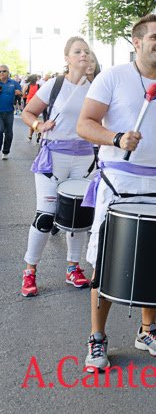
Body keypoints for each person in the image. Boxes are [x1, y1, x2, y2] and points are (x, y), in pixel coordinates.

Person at [77, 14, 156, 370]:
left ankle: (147, 330)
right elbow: (85, 124)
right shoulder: (113, 77)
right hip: (117, 183)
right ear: (137, 42)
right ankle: (97, 339)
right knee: (107, 264)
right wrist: (116, 138)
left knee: (153, 262)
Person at [19, 37, 96, 297]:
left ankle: (73, 268)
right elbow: (28, 112)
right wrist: (39, 126)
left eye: (86, 51)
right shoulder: (55, 85)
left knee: (79, 217)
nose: (83, 55)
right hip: (53, 158)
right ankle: (30, 270)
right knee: (46, 216)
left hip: (84, 159)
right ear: (67, 58)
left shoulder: (95, 89)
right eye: (78, 52)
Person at [0, 64, 22, 159]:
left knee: (9, 133)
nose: (1, 73)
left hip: (9, 112)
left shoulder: (13, 83)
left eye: (3, 71)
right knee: (0, 130)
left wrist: (19, 93)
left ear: (8, 72)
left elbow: (20, 92)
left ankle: (5, 151)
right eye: (0, 71)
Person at [24, 74, 41, 142]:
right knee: (34, 120)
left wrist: (26, 95)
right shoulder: (39, 86)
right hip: (37, 104)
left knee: (31, 120)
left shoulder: (27, 86)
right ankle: (30, 135)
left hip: (29, 104)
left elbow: (23, 94)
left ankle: (37, 132)